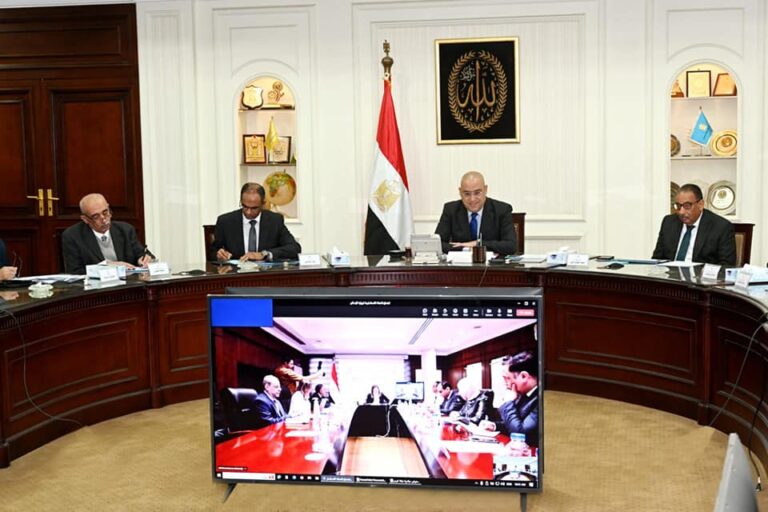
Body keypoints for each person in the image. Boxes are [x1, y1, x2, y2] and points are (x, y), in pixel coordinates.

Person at [62, 193, 151, 274]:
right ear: (85, 219)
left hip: (127, 283)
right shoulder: (72, 236)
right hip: (96, 285)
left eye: (105, 212)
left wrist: (143, 259)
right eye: (96, 216)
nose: (103, 219)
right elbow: (74, 271)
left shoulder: (126, 230)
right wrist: (106, 267)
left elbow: (141, 253)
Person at [213, 182, 301, 262]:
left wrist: (264, 254)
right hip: (235, 273)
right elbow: (213, 251)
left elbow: (294, 248)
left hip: (265, 273)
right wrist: (220, 255)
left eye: (254, 208)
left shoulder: (274, 221)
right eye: (245, 206)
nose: (248, 212)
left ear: (263, 204)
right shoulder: (225, 221)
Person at [652, 183, 736, 266]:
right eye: (678, 206)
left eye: (687, 206)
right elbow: (657, 260)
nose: (681, 212)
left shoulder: (721, 227)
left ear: (700, 205)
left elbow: (726, 265)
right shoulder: (669, 222)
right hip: (670, 273)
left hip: (701, 274)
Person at [434, 171, 517, 255]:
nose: (472, 199)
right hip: (460, 262)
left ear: (485, 190)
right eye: (467, 194)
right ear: (460, 192)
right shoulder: (451, 210)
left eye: (477, 193)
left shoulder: (502, 210)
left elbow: (511, 246)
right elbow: (437, 244)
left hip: (491, 263)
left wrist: (477, 243)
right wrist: (465, 248)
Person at [481, 351, 539, 448]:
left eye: (507, 378)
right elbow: (513, 424)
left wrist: (508, 403)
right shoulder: (523, 394)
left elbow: (521, 434)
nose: (506, 384)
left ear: (524, 376)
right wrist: (494, 425)